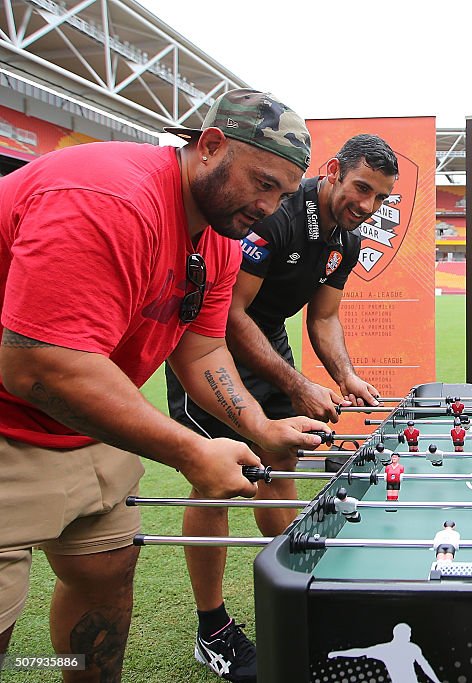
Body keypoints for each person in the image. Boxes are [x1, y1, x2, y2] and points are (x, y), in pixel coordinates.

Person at [0, 88, 328, 681]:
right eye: (263, 182)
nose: (270, 206)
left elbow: (200, 344)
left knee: (106, 572)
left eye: (283, 193)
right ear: (209, 146)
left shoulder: (221, 235)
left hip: (87, 419)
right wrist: (191, 450)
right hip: (12, 417)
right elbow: (38, 365)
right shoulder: (111, 197)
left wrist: (259, 427)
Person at [163, 131, 398, 681]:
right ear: (335, 170)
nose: (366, 206)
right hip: (215, 344)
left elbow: (322, 317)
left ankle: (298, 592)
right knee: (218, 477)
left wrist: (345, 376)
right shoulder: (279, 216)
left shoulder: (348, 239)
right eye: (361, 188)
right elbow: (230, 313)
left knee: (282, 462)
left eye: (379, 198)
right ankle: (211, 626)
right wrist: (297, 385)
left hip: (268, 343)